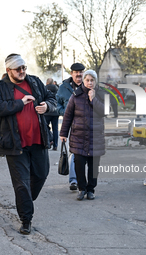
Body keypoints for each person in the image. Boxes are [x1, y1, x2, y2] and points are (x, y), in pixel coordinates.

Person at [0, 54, 56, 235]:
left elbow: (52, 98)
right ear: (8, 70)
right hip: (15, 144)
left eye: (24, 67)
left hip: (38, 139)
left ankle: (24, 200)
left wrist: (47, 106)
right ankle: (26, 219)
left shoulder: (35, 82)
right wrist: (20, 103)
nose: (22, 71)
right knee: (21, 183)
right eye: (18, 69)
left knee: (42, 174)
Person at [59, 70, 105, 200]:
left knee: (93, 166)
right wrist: (63, 133)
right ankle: (82, 188)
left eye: (92, 80)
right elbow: (68, 115)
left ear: (95, 81)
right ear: (83, 81)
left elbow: (104, 112)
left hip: (95, 138)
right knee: (79, 164)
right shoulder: (76, 95)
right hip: (78, 136)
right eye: (87, 80)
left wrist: (93, 99)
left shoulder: (101, 94)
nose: (90, 83)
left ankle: (91, 189)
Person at [56, 62, 85, 191]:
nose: (79, 74)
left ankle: (84, 180)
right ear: (72, 73)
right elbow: (57, 105)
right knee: (74, 152)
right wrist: (66, 113)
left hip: (87, 125)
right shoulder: (64, 87)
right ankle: (74, 180)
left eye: (81, 72)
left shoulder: (89, 85)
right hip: (71, 125)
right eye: (76, 72)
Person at [44, 77, 59, 150]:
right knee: (55, 129)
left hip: (46, 112)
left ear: (47, 83)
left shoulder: (44, 89)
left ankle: (47, 142)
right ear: (53, 82)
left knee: (45, 128)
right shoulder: (57, 89)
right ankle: (55, 145)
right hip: (55, 112)